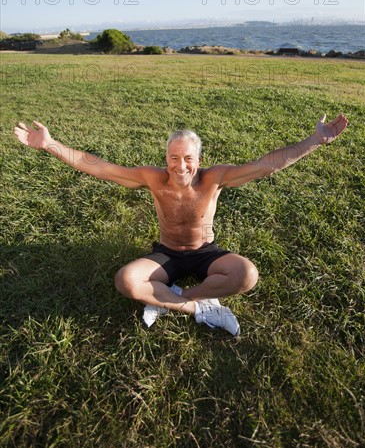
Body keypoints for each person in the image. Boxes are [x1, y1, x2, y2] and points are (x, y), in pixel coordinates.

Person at [14, 114, 348, 336]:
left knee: (247, 275)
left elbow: (265, 166)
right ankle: (197, 307)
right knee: (126, 280)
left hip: (206, 252)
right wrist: (50, 145)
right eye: (174, 157)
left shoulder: (215, 178)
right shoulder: (153, 178)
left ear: (199, 160)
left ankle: (169, 298)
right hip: (167, 255)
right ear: (166, 159)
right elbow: (100, 167)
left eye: (188, 158)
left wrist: (313, 141)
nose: (181, 165)